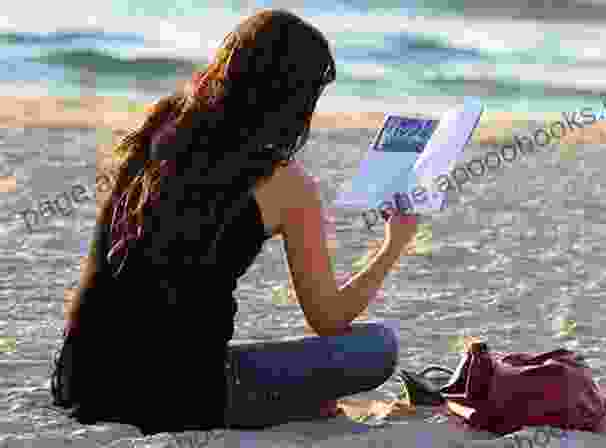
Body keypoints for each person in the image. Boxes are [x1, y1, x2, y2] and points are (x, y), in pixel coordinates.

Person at [53, 8, 419, 435]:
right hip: (182, 396)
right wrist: (393, 245)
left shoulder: (161, 130)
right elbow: (329, 318)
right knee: (378, 348)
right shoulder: (286, 183)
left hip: (83, 380)